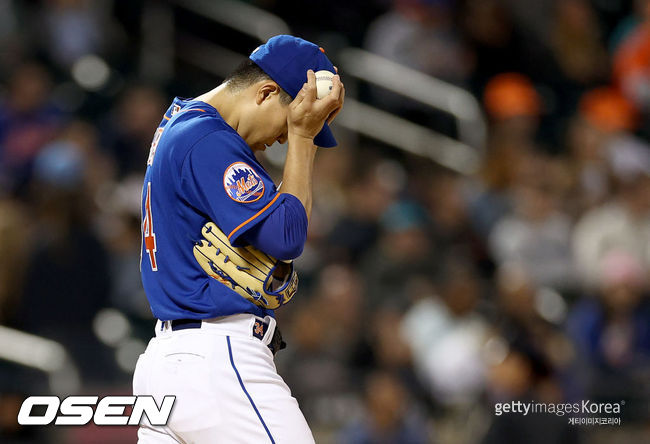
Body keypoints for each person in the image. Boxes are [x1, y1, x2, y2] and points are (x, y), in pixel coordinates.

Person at [132, 35, 345, 443]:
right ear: (266, 92)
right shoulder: (208, 139)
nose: (284, 138)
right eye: (290, 122)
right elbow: (286, 237)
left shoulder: (180, 122)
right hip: (215, 361)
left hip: (172, 362)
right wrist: (303, 140)